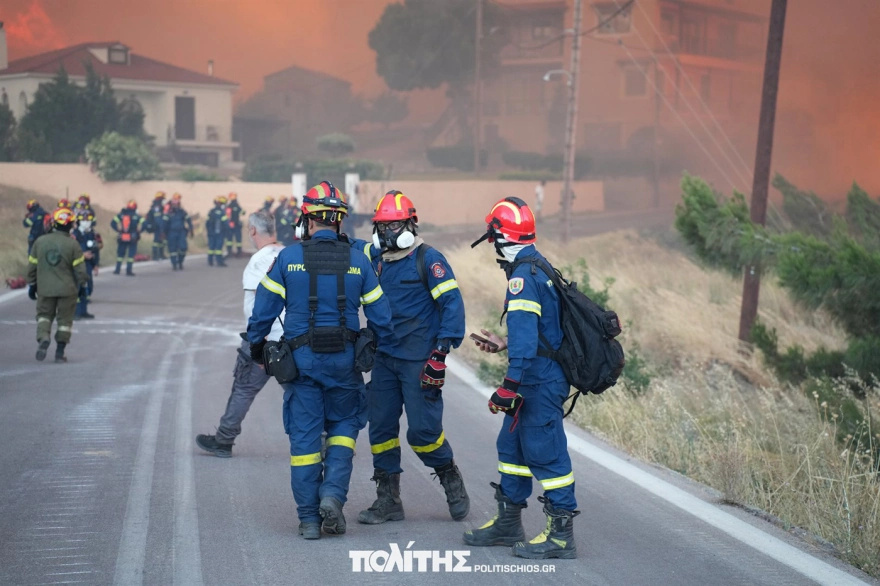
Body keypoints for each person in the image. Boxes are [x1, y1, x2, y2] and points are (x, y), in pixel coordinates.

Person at [247, 180, 395, 540]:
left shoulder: (288, 258)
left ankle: (309, 519)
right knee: (344, 430)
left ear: (307, 220)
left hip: (302, 366)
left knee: (305, 442)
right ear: (339, 221)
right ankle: (332, 496)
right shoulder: (359, 261)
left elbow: (263, 312)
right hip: (345, 364)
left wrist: (256, 349)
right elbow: (382, 319)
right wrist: (372, 346)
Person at [464, 196, 579, 560]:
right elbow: (538, 332)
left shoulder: (522, 279)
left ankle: (561, 536)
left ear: (500, 238)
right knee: (512, 449)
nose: (492, 246)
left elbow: (529, 344)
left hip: (539, 381)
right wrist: (504, 343)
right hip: (535, 376)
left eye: (492, 239)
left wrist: (507, 387)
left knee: (546, 454)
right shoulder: (535, 266)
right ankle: (508, 523)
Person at [358, 190, 469, 526]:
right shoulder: (376, 260)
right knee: (380, 429)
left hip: (419, 361)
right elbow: (350, 253)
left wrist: (441, 353)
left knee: (422, 432)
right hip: (384, 360)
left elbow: (452, 304)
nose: (387, 232)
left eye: (394, 225)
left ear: (410, 225)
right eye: (382, 226)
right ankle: (388, 500)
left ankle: (448, 474)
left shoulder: (429, 259)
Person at [196, 209, 285, 458]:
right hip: (292, 340)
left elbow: (260, 304)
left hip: (264, 340)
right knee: (300, 392)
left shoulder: (258, 261)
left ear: (252, 230)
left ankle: (224, 440)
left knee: (244, 389)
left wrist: (258, 341)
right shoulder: (288, 255)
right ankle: (322, 441)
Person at [27, 207, 88, 363]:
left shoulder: (40, 242)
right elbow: (80, 271)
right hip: (67, 290)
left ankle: (43, 337)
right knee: (64, 322)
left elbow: (32, 267)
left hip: (45, 289)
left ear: (54, 223)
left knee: (44, 316)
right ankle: (59, 353)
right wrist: (83, 287)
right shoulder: (73, 245)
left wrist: (32, 284)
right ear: (71, 225)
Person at [72, 210, 102, 320]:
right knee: (77, 288)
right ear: (78, 221)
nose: (86, 222)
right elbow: (70, 250)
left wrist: (95, 265)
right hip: (77, 264)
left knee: (87, 288)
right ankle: (75, 312)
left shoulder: (91, 234)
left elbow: (95, 250)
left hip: (88, 265)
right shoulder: (74, 235)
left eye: (88, 220)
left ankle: (83, 311)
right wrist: (82, 255)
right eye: (84, 220)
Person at [110, 200, 144, 276]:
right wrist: (140, 231)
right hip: (133, 237)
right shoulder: (137, 216)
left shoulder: (121, 215)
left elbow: (112, 223)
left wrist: (118, 230)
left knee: (120, 255)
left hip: (122, 237)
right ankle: (129, 271)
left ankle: (117, 270)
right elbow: (144, 224)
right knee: (131, 255)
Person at [163, 193, 193, 271]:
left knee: (183, 248)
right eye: (174, 204)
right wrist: (163, 233)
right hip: (171, 233)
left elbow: (188, 220)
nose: (175, 205)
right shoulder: (168, 213)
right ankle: (174, 264)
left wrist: (191, 229)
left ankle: (180, 262)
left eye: (176, 204)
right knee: (172, 250)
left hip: (181, 232)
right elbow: (164, 223)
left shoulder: (182, 212)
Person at [206, 196, 229, 267]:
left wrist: (209, 231)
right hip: (220, 233)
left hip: (211, 233)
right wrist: (227, 232)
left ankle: (210, 261)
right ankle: (219, 262)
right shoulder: (222, 213)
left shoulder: (211, 211)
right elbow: (225, 224)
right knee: (218, 248)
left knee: (211, 247)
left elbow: (207, 223)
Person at [144, 191, 167, 260]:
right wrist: (161, 228)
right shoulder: (157, 206)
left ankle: (161, 255)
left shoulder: (157, 206)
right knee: (156, 241)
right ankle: (155, 256)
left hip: (160, 226)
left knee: (161, 241)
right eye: (163, 198)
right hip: (158, 227)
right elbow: (158, 218)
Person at [225, 192, 245, 257]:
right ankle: (239, 252)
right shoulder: (237, 205)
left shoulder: (229, 206)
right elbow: (243, 212)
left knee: (229, 239)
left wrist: (229, 222)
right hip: (237, 225)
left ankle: (229, 252)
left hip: (230, 225)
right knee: (238, 239)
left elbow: (227, 215)